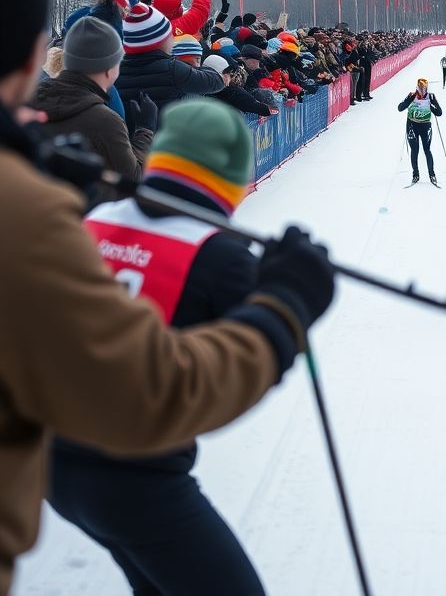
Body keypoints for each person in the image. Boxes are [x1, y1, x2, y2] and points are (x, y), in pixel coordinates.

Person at [0, 0, 336, 594]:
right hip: (124, 463)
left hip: (64, 468)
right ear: (26, 62)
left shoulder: (59, 204)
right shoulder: (27, 213)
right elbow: (150, 390)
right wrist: (285, 307)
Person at [48, 100, 272, 595]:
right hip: (135, 474)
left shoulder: (98, 217)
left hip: (55, 457)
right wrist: (286, 297)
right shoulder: (220, 253)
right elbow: (244, 369)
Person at [32, 17, 157, 205]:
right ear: (109, 68)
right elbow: (132, 180)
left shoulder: (28, 102)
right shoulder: (105, 121)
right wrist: (145, 129)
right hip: (85, 221)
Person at [397, 77, 443, 184]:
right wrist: (408, 99)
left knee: (427, 150)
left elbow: (439, 113)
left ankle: (432, 175)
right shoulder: (412, 95)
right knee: (415, 150)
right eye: (420, 88)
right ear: (417, 87)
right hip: (412, 126)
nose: (422, 91)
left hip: (425, 126)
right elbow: (400, 108)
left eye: (424, 88)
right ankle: (415, 174)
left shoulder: (430, 97)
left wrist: (431, 105)